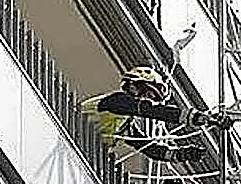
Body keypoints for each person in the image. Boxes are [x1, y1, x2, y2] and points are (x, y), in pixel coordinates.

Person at [81, 66, 226, 163]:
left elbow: (149, 148)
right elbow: (151, 110)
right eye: (150, 94)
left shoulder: (124, 121)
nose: (149, 100)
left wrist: (183, 154)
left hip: (85, 148)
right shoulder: (116, 101)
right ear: (137, 85)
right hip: (74, 136)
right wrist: (199, 118)